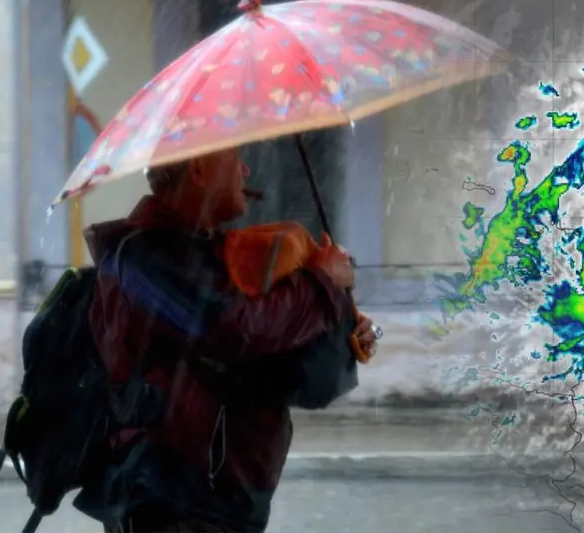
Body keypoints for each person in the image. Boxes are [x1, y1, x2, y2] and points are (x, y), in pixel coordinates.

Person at [72, 147, 378, 532]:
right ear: (199, 168)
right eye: (235, 158)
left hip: (222, 500)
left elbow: (277, 360)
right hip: (172, 502)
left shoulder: (207, 252)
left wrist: (341, 321)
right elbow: (236, 329)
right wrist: (320, 286)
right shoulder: (145, 257)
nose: (246, 169)